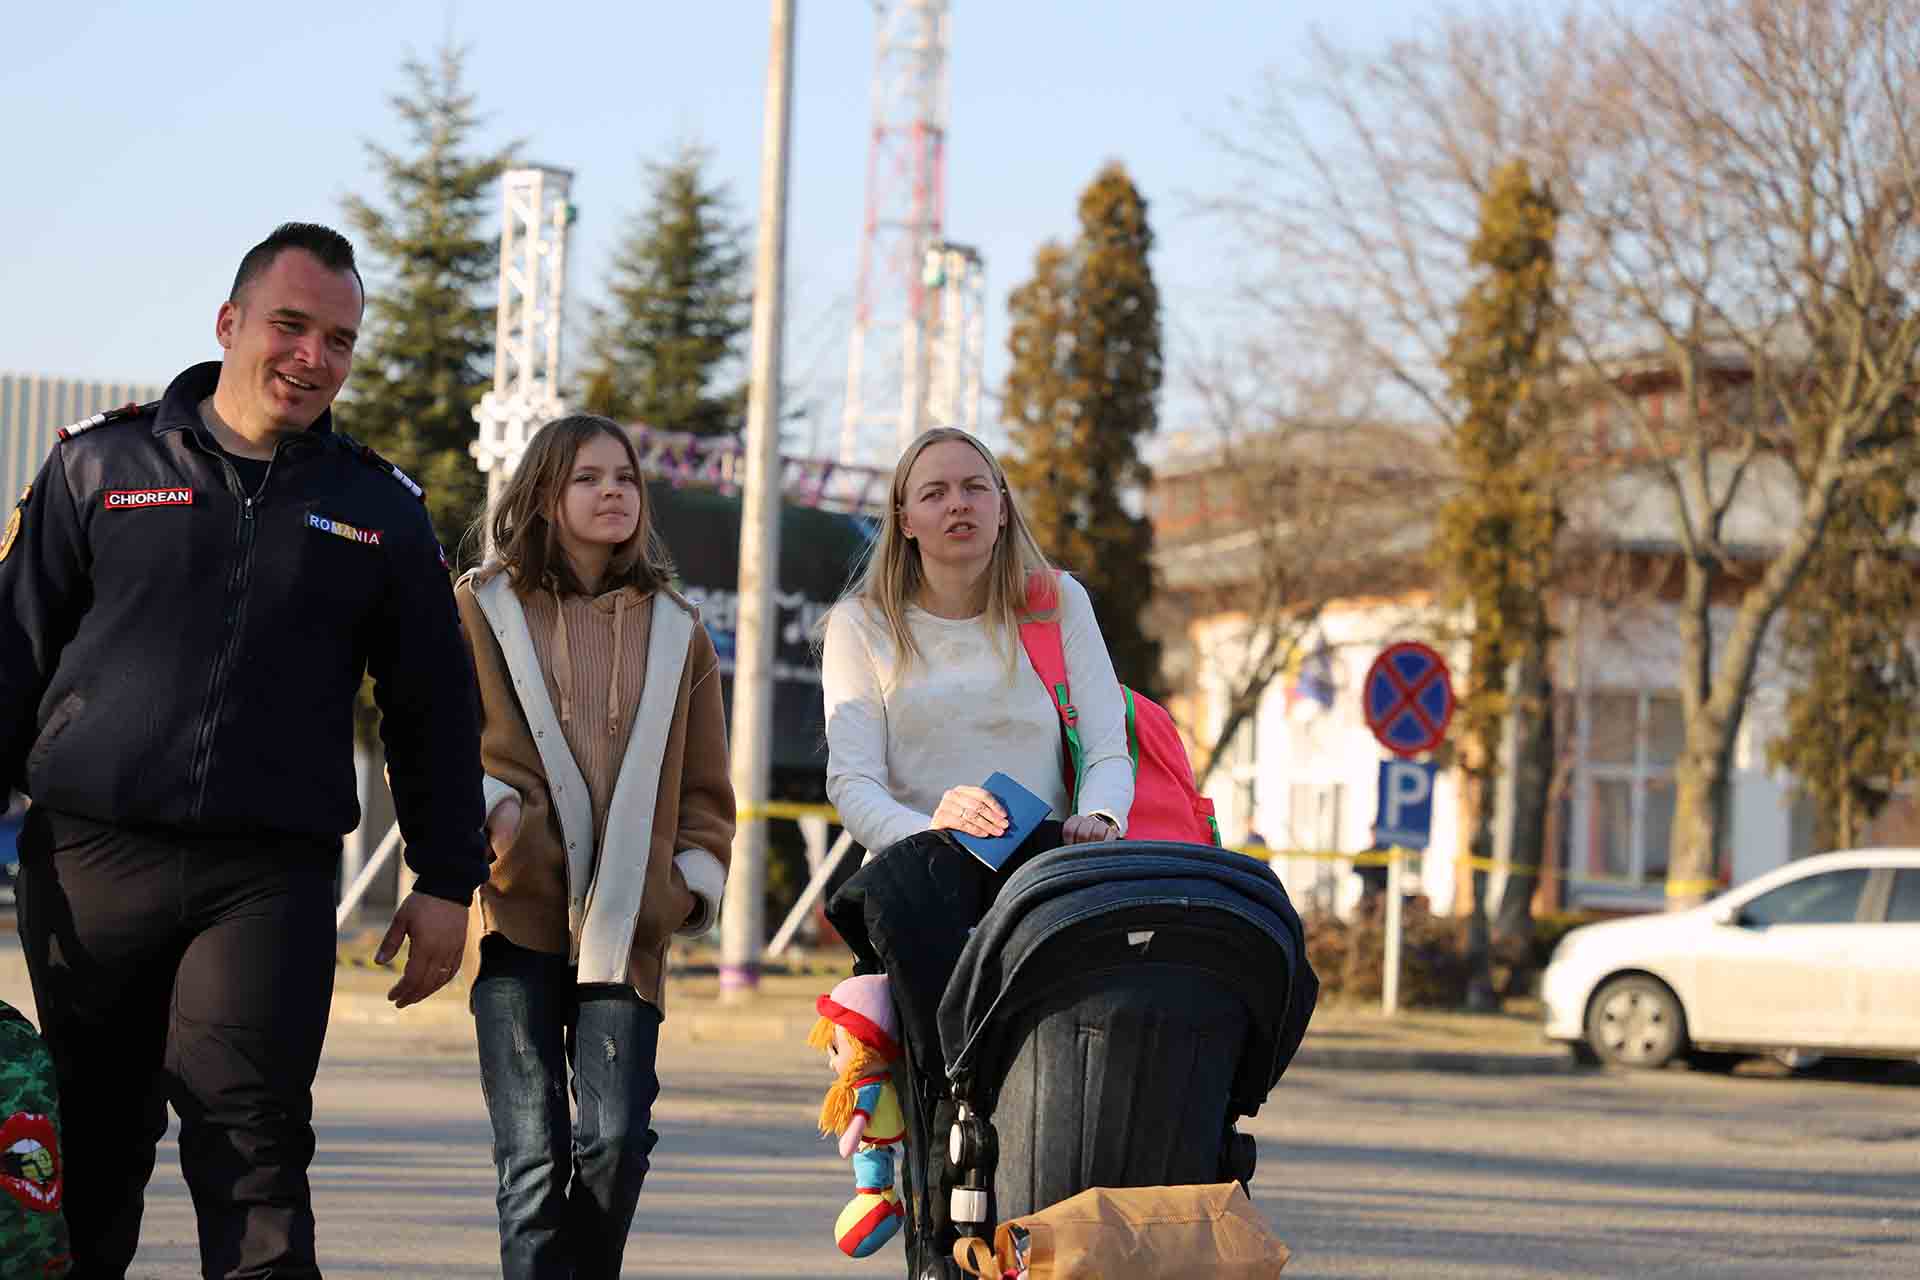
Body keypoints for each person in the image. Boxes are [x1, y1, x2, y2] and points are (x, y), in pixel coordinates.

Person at [0, 223, 489, 1277]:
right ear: (230, 323)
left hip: (266, 878)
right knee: (91, 1143)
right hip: (90, 862)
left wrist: (448, 876)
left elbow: (433, 707)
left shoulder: (378, 510)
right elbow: (13, 657)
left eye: (342, 340)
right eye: (293, 325)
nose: (315, 358)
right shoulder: (98, 462)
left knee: (255, 1146)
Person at [454, 413, 733, 1280]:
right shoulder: (479, 606)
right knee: (532, 1160)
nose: (613, 491)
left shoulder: (677, 628)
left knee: (613, 1141)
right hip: (516, 917)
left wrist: (680, 892)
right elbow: (438, 746)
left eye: (625, 477)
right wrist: (493, 818)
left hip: (627, 930)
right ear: (542, 493)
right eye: (588, 477)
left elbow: (706, 793)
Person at [820, 426, 1132, 869]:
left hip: (1042, 889)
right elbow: (853, 784)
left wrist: (1099, 816)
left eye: (975, 487)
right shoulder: (859, 625)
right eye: (934, 493)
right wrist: (934, 835)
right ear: (905, 520)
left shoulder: (1058, 603)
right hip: (918, 886)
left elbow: (1107, 748)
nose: (958, 503)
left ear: (1002, 508)